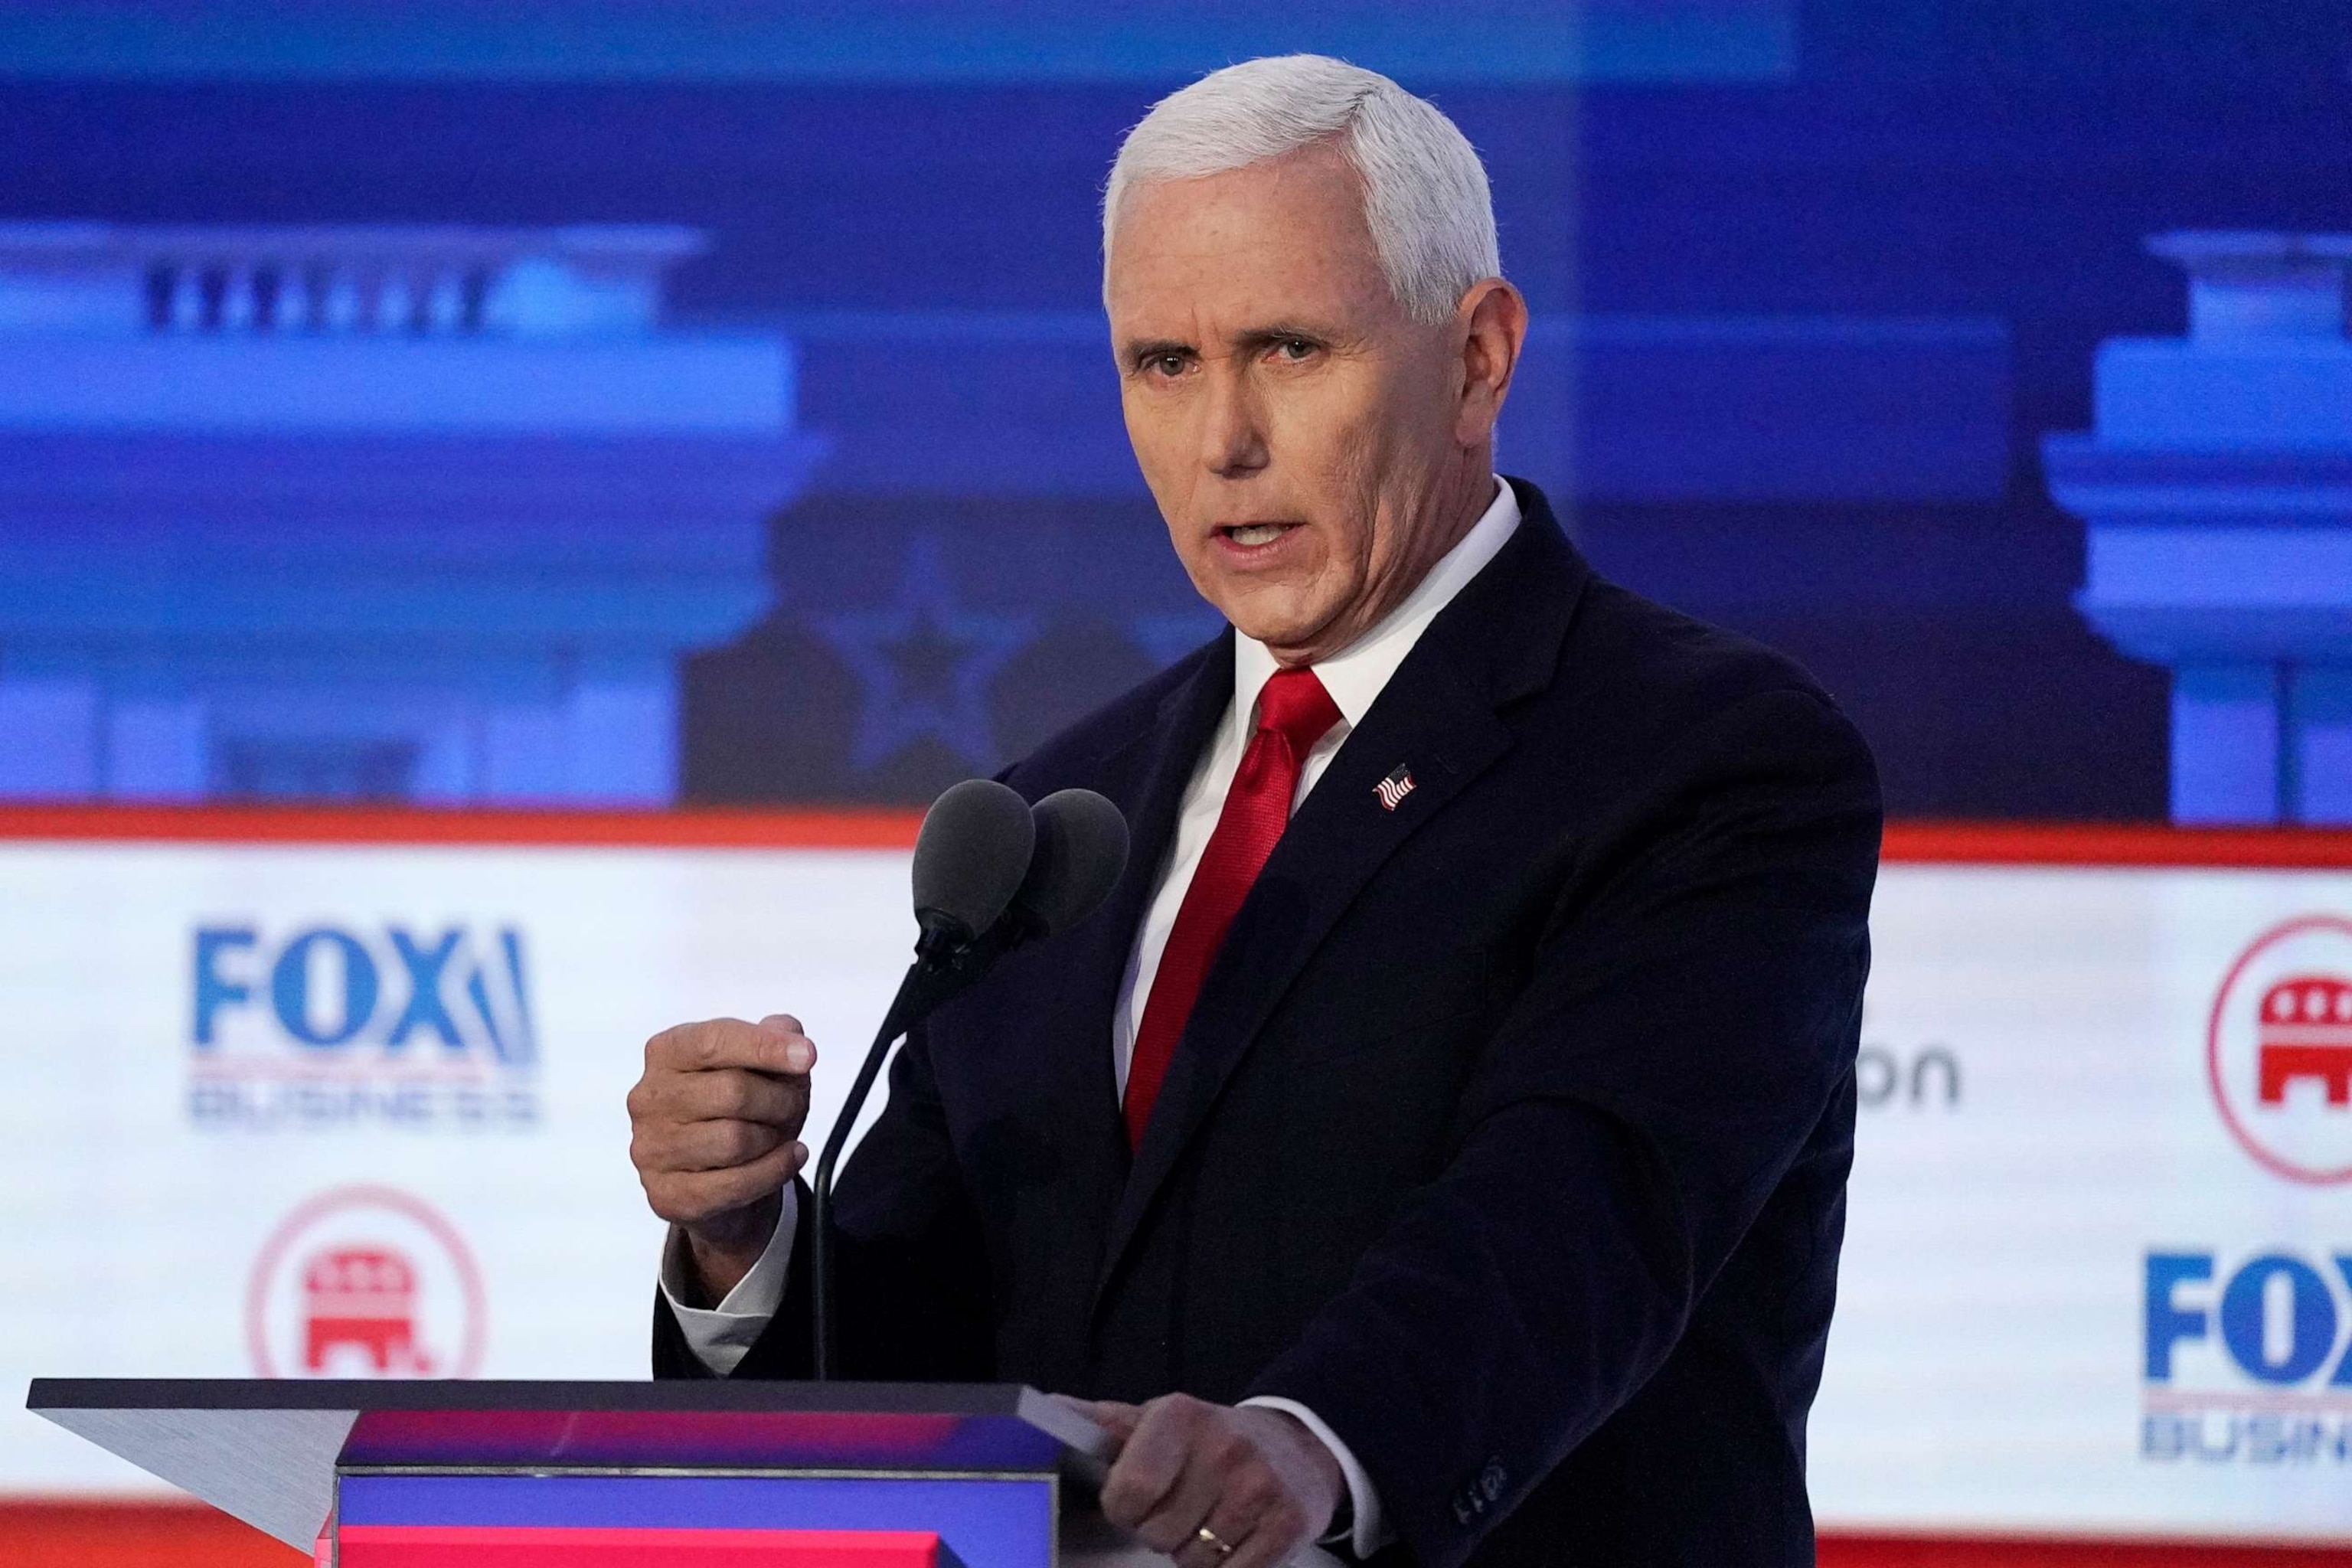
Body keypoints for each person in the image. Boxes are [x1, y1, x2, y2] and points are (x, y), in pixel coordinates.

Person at [626, 54, 1880, 1568]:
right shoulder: (1051, 824)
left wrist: (1310, 1442)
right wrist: (744, 1245)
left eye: (1289, 349)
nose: (1222, 439)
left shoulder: (1707, 759)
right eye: (1164, 362)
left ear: (1479, 356)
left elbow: (1579, 1214)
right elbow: (923, 1349)